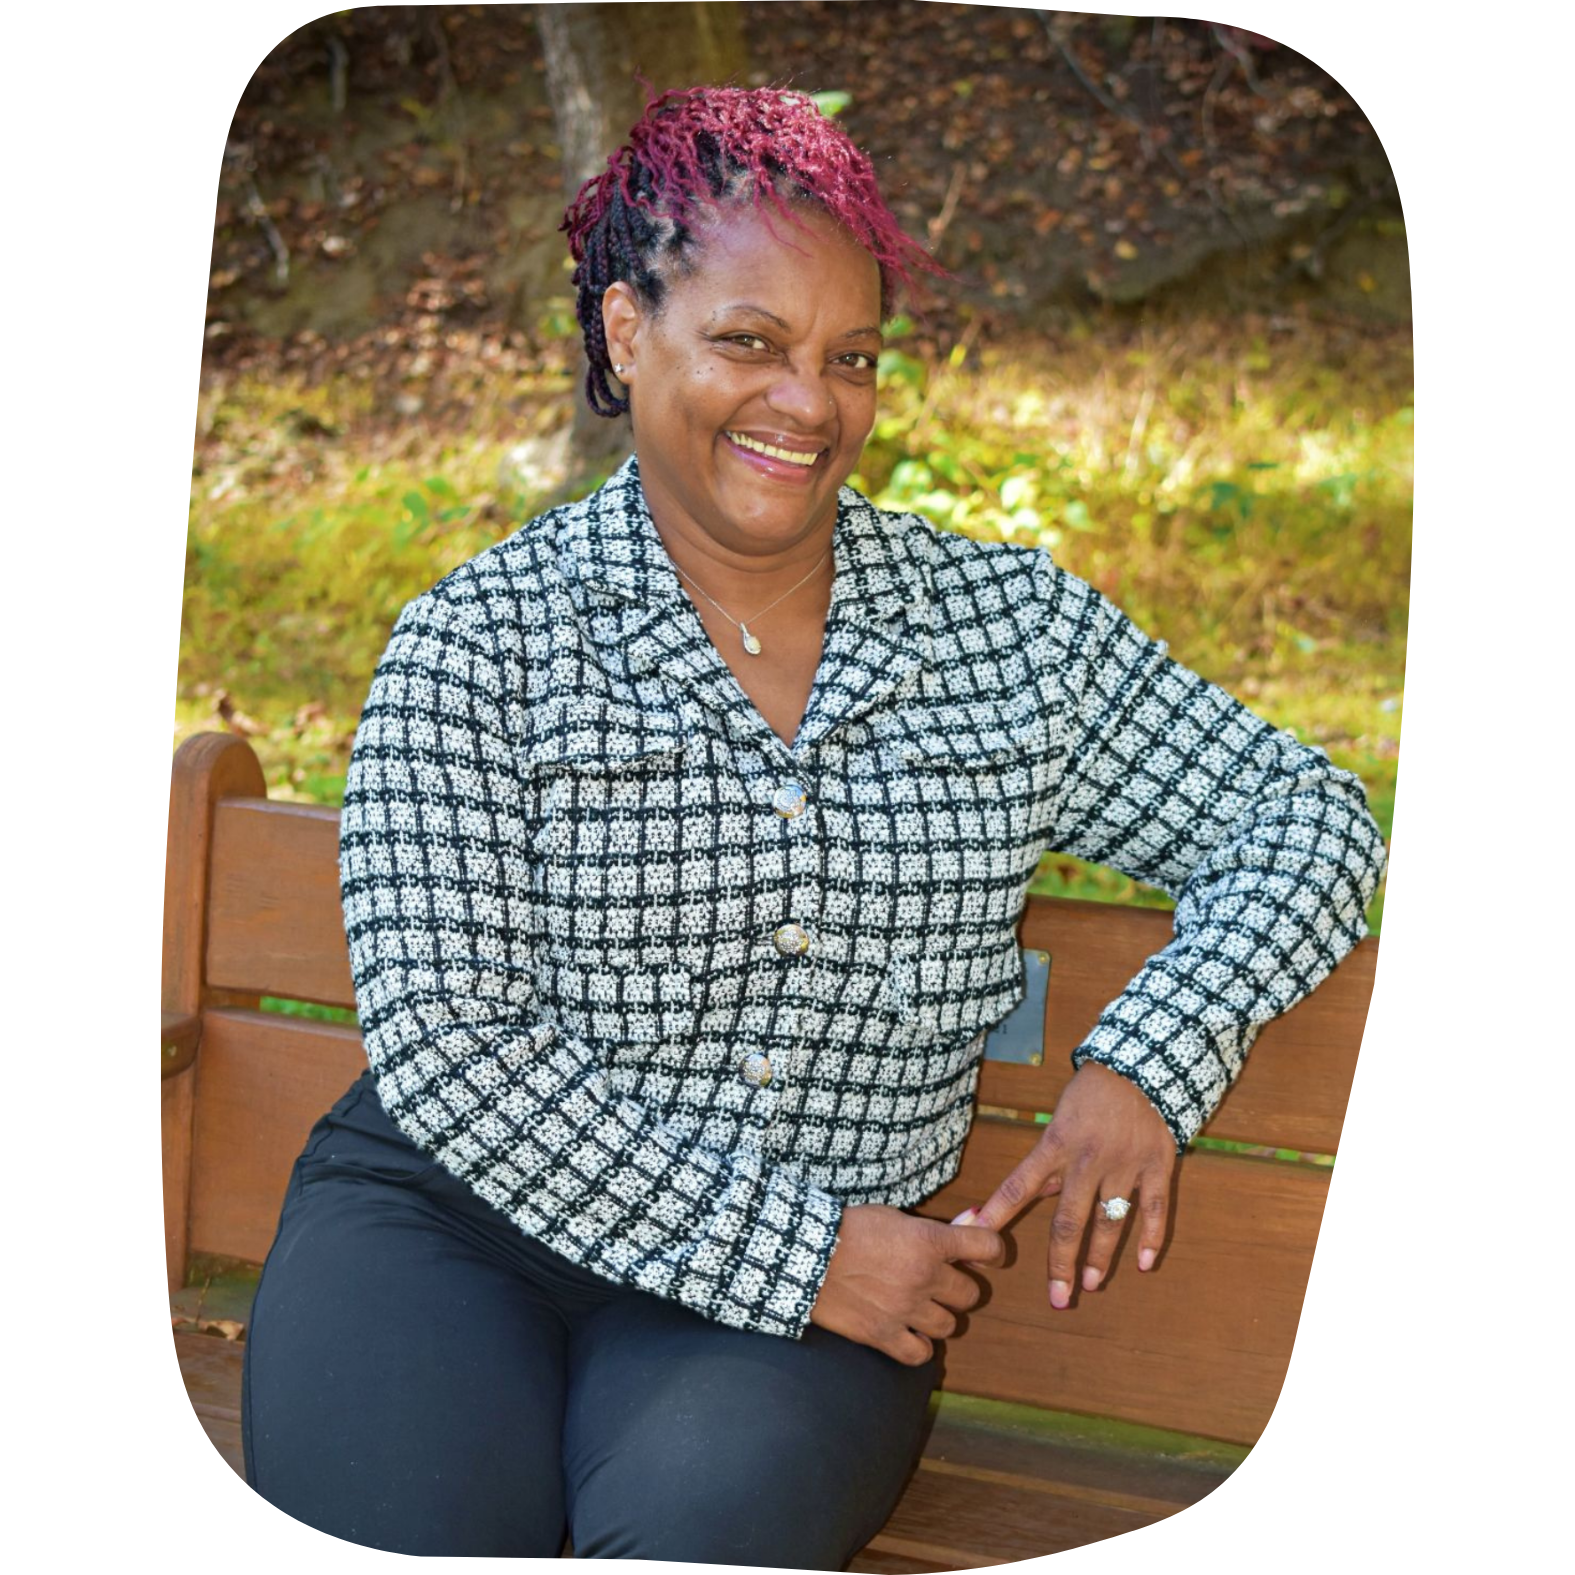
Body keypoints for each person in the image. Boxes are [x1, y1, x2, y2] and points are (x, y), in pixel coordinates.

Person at [241, 86, 1385, 1569]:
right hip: (461, 1229)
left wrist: (1148, 1058)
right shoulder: (479, 643)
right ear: (622, 334)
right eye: (748, 342)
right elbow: (454, 1046)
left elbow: (1304, 812)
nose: (808, 402)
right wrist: (800, 1252)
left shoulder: (1005, 639)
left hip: (812, 1320)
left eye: (849, 358)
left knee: (688, 1541)